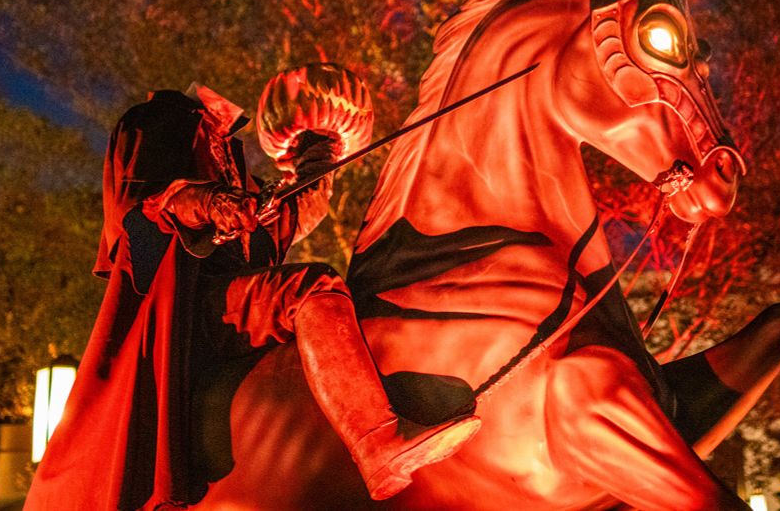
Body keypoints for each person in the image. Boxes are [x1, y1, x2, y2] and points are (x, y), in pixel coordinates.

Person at [25, 83, 480, 510]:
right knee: (311, 287)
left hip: (232, 300)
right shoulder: (156, 118)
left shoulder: (229, 152)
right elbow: (141, 208)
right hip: (186, 302)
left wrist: (317, 158)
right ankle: (378, 444)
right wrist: (213, 202)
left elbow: (282, 225)